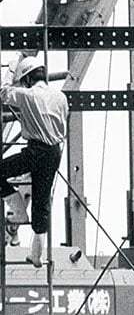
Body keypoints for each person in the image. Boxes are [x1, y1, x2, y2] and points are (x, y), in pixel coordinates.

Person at [0, 55, 69, 267]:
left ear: (28, 79)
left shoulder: (27, 95)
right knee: (41, 202)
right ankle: (36, 255)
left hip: (36, 151)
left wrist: (11, 72)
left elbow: (3, 93)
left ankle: (18, 207)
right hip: (53, 153)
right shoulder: (60, 97)